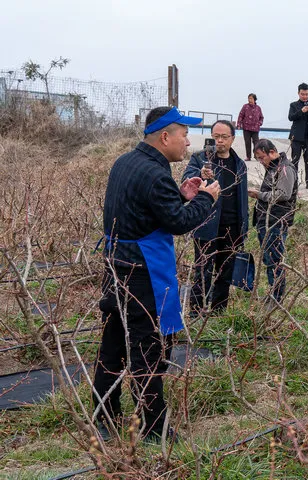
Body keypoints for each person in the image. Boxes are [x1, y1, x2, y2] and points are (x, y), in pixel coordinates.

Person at [95, 106, 220, 442]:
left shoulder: (126, 162)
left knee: (113, 344)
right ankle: (153, 427)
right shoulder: (156, 173)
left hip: (115, 265)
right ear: (165, 137)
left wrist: (181, 196)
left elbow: (146, 211)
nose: (188, 141)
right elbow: (178, 223)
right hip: (142, 272)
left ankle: (103, 415)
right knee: (149, 349)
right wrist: (206, 199)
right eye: (183, 134)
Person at [182, 120, 248, 315]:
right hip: (206, 224)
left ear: (233, 139)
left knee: (226, 270)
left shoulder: (239, 164)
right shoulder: (200, 159)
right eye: (216, 136)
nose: (219, 141)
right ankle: (196, 311)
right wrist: (200, 174)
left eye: (224, 137)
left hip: (232, 227)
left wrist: (244, 228)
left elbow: (243, 198)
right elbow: (186, 180)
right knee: (203, 269)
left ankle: (219, 311)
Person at [249, 139, 298, 305]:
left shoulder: (285, 168)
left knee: (275, 260)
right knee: (268, 260)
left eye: (262, 157)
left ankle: (277, 298)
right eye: (258, 159)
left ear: (272, 152)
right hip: (266, 220)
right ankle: (273, 294)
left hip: (277, 221)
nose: (261, 162)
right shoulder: (272, 168)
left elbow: (283, 194)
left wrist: (259, 195)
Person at [288, 83, 308, 190]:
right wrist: (301, 111)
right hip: (296, 137)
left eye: (307, 94)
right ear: (298, 93)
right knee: (295, 160)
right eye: (302, 94)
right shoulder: (293, 105)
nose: (305, 96)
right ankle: (293, 183)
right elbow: (291, 117)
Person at [237, 93, 264, 162]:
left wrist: (259, 123)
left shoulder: (258, 108)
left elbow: (261, 117)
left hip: (255, 128)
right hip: (246, 128)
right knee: (247, 142)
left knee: (256, 143)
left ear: (254, 99)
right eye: (249, 98)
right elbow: (241, 115)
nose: (249, 100)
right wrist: (239, 124)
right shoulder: (245, 106)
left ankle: (256, 156)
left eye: (251, 98)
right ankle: (248, 157)